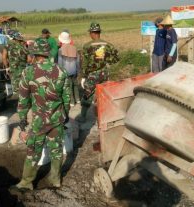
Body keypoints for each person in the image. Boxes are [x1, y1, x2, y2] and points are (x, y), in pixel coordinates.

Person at [10, 42, 70, 192]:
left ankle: (26, 183)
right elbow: (67, 98)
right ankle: (55, 179)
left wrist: (22, 118)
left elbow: (23, 99)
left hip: (39, 121)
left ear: (34, 55)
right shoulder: (61, 71)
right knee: (56, 150)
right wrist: (65, 116)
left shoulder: (29, 72)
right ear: (49, 53)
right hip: (57, 119)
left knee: (33, 150)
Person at [76, 22, 119, 123]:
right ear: (99, 32)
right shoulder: (108, 45)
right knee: (104, 94)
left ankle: (82, 117)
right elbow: (116, 58)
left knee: (88, 94)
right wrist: (106, 60)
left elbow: (84, 63)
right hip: (104, 73)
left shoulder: (87, 46)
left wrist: (83, 76)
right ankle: (106, 115)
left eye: (90, 32)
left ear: (92, 32)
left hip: (92, 74)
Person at [58, 31, 80, 106]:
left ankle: (72, 101)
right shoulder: (74, 48)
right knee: (75, 85)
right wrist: (78, 70)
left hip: (66, 71)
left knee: (69, 86)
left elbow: (60, 62)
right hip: (74, 70)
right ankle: (78, 99)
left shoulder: (60, 50)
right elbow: (78, 61)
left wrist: (60, 72)